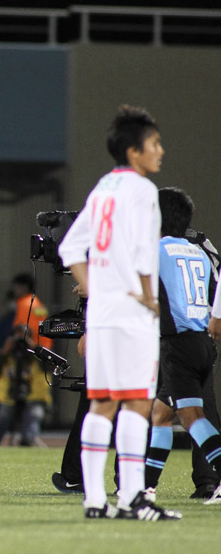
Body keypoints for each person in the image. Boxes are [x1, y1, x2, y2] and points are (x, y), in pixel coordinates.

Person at [58, 104, 180, 520]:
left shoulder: (103, 188)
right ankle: (132, 497)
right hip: (131, 314)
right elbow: (145, 253)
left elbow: (71, 248)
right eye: (154, 143)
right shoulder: (142, 190)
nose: (160, 151)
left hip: (103, 314)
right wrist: (148, 297)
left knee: (102, 404)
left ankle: (96, 500)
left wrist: (96, 291)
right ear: (133, 151)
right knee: (137, 403)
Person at [144, 187, 221, 505]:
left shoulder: (156, 250)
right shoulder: (198, 251)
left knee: (191, 418)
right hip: (202, 342)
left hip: (178, 346)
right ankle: (146, 488)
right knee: (161, 415)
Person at [0, 274, 50, 446]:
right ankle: (29, 437)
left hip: (26, 356)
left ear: (23, 287)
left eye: (16, 287)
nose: (14, 290)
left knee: (11, 402)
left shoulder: (25, 304)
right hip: (39, 355)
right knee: (33, 403)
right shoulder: (39, 306)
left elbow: (21, 333)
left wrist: (10, 347)